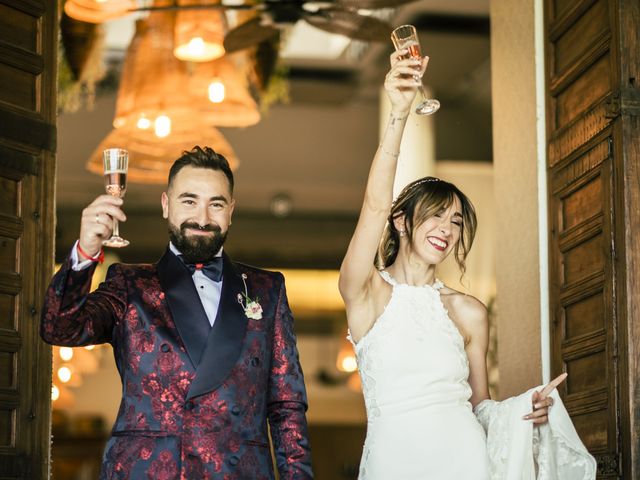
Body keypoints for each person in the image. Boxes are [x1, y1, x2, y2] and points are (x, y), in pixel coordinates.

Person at [338, 51, 596, 479]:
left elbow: (480, 408)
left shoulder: (470, 312)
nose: (447, 228)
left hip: (465, 461)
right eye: (436, 214)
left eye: (456, 221)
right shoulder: (365, 293)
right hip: (393, 462)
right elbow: (374, 203)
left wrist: (522, 409)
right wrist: (399, 115)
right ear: (401, 222)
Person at [41, 146, 313, 479]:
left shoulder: (267, 290)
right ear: (166, 205)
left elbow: (286, 408)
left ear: (232, 210)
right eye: (189, 201)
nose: (202, 218)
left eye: (216, 204)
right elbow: (59, 329)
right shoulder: (129, 284)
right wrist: (85, 252)